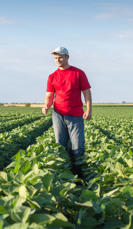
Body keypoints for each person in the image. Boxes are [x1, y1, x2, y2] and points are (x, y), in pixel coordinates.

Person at [42, 47, 92, 179]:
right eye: (55, 58)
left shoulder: (78, 73)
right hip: (58, 114)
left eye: (60, 57)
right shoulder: (52, 76)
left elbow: (86, 92)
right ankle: (64, 175)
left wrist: (89, 110)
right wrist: (46, 106)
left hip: (75, 114)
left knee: (78, 147)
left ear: (67, 57)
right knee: (60, 146)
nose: (57, 60)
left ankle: (81, 177)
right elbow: (49, 95)